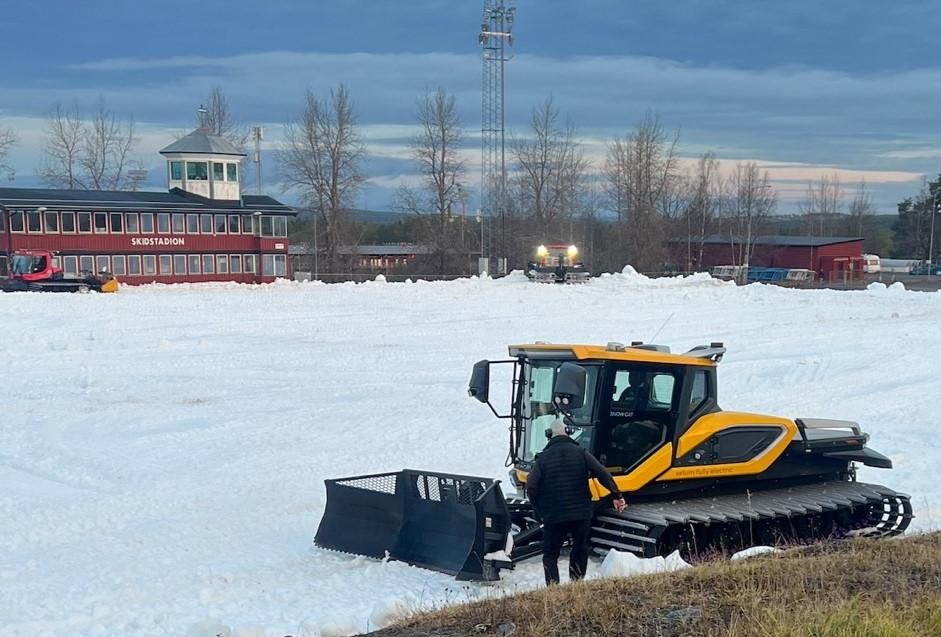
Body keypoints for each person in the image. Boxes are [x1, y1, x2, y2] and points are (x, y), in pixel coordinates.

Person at [527, 419, 626, 585]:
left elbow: (531, 485)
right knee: (580, 549)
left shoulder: (542, 459)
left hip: (554, 515)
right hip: (581, 514)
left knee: (551, 554)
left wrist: (537, 507)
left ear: (550, 436)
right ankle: (577, 584)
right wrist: (616, 495)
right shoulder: (581, 452)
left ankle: (553, 588)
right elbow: (602, 473)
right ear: (567, 433)